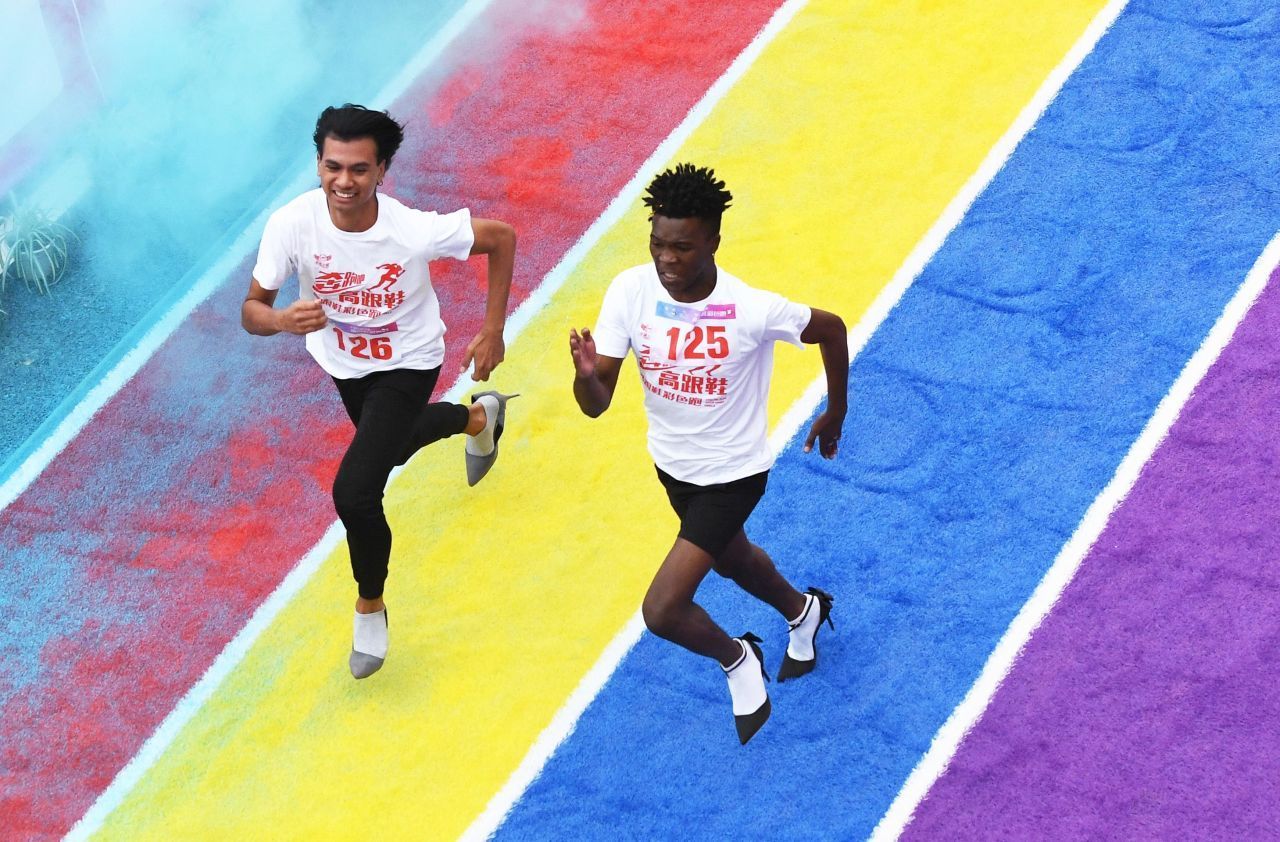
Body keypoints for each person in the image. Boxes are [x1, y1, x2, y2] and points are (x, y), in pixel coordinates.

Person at [569, 163, 847, 744]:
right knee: (732, 560)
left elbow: (833, 329)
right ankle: (804, 612)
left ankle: (738, 658)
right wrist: (588, 375)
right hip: (672, 467)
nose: (666, 259)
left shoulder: (752, 309)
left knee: (664, 609)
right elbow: (596, 405)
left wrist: (835, 409)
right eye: (657, 244)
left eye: (681, 247)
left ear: (713, 241)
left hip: (734, 474)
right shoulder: (631, 290)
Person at [242, 104, 517, 679]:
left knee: (355, 492)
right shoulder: (290, 225)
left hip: (410, 363)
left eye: (359, 170)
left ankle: (370, 605)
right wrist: (281, 321)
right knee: (388, 449)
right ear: (318, 164)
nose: (344, 182)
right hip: (344, 367)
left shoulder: (411, 231)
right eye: (332, 166)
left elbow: (502, 238)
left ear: (383, 171)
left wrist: (493, 329)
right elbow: (252, 311)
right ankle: (476, 420)